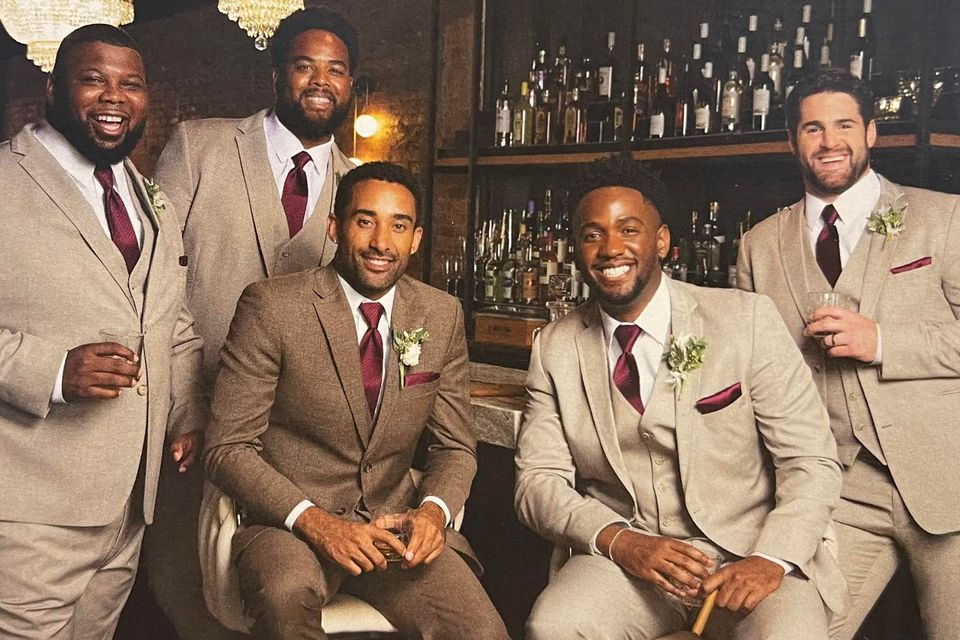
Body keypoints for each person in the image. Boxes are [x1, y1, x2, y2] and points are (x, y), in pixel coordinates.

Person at [515, 155, 847, 639]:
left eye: (629, 230)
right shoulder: (555, 346)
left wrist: (769, 558)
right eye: (592, 234)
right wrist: (621, 541)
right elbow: (537, 484)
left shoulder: (745, 319)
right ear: (575, 249)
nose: (610, 249)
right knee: (555, 626)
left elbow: (811, 460)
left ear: (663, 241)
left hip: (747, 554)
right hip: (627, 561)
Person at [204, 161, 509, 639]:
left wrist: (433, 511)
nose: (381, 242)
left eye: (399, 225)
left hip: (395, 531)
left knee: (483, 632)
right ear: (334, 227)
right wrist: (316, 523)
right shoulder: (271, 306)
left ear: (417, 238)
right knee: (286, 598)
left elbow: (455, 447)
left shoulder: (441, 314)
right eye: (365, 220)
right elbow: (228, 447)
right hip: (292, 528)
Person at [144, 8, 358, 637]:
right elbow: (156, 289)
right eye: (304, 65)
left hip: (291, 444)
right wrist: (189, 409)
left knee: (266, 594)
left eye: (336, 70)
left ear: (351, 85)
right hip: (192, 417)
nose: (320, 81)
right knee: (184, 589)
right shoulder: (198, 146)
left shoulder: (356, 190)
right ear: (275, 73)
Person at [737, 67, 960, 640]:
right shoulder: (759, 245)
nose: (829, 141)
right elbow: (746, 371)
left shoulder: (944, 218)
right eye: (812, 128)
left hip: (947, 484)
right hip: (837, 491)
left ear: (871, 132)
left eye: (843, 125)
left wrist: (881, 341)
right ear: (792, 141)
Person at [0, 24, 205, 638]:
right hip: (28, 509)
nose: (113, 97)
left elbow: (174, 323)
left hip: (127, 510)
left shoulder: (148, 198)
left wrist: (185, 411)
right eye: (93, 80)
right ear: (52, 89)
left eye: (130, 84)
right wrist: (54, 370)